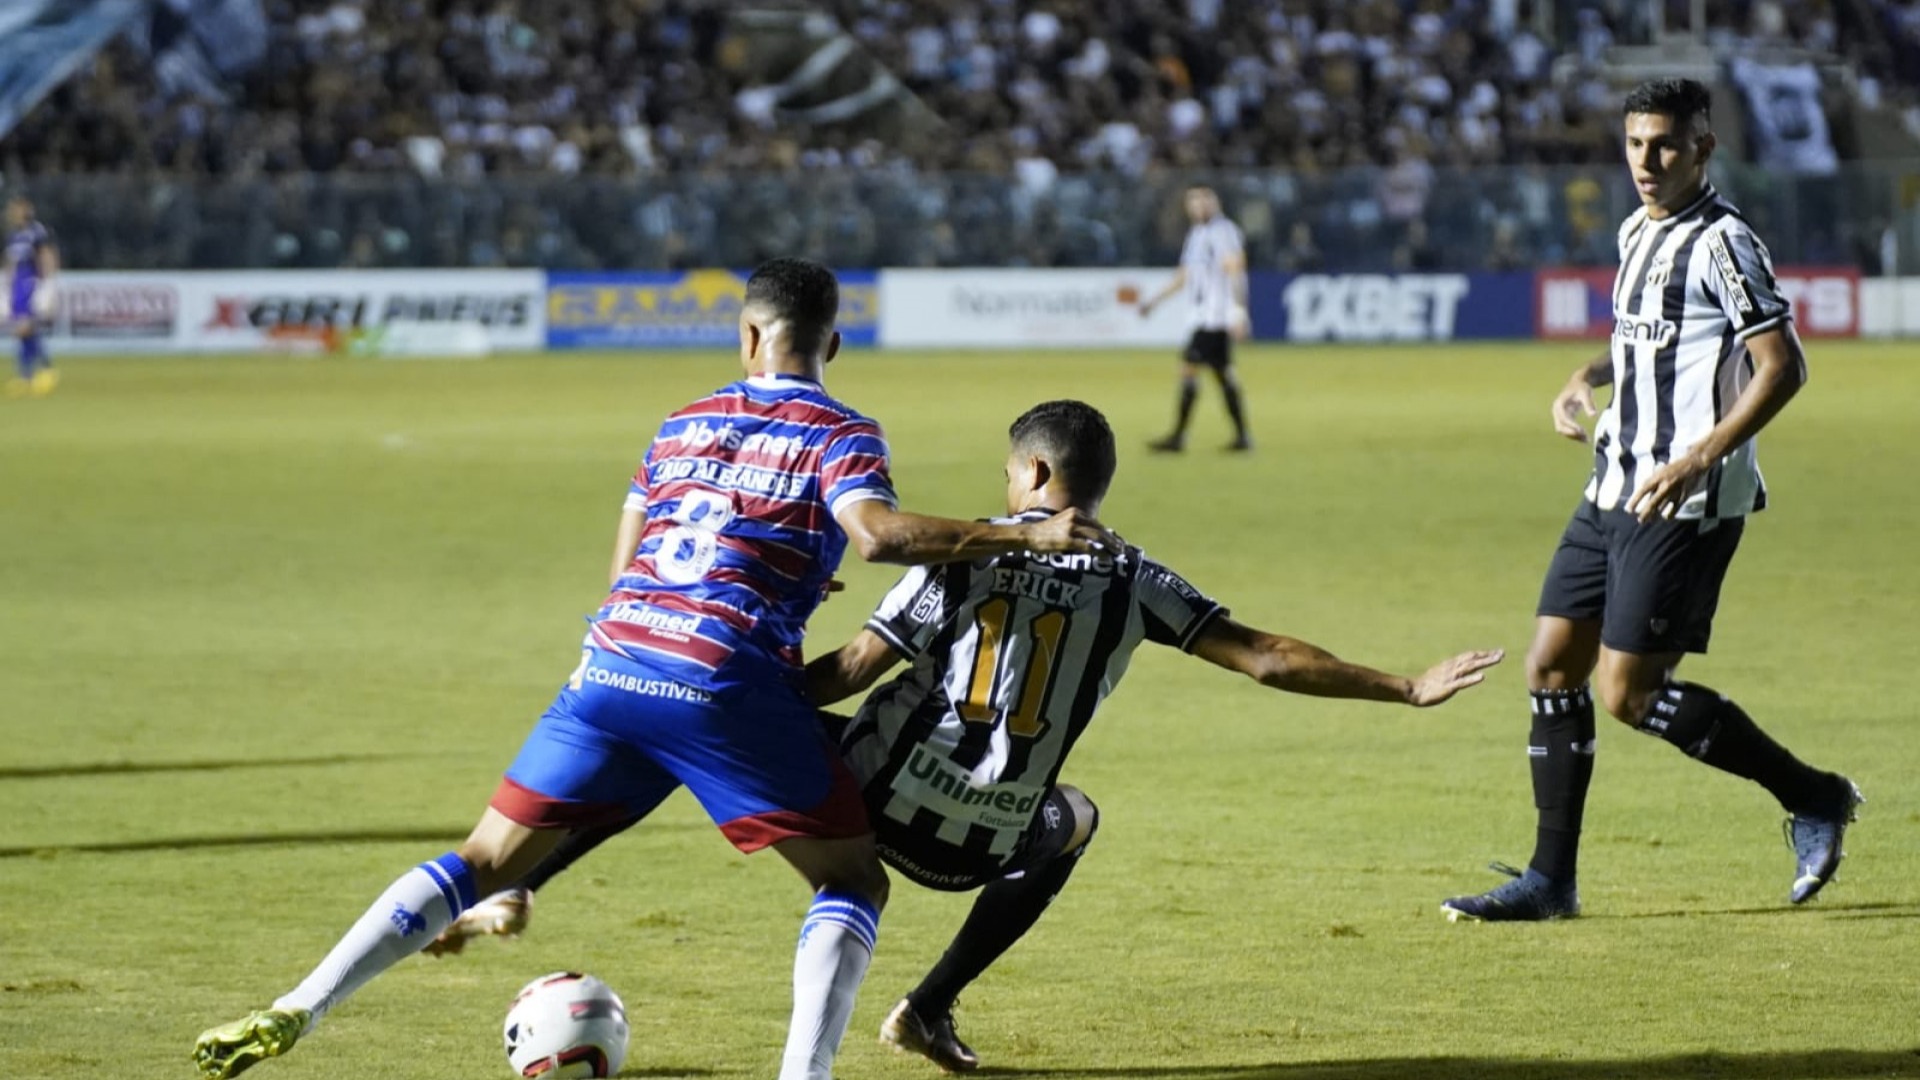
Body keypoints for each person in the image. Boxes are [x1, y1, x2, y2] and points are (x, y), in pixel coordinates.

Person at [190, 259, 1117, 1080]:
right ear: (834, 340)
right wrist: (1019, 529)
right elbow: (876, 538)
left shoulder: (678, 423)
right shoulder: (842, 429)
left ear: (747, 333)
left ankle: (299, 1005)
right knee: (854, 882)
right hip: (722, 678)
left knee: (477, 860)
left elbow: (629, 566)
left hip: (614, 661)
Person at [430, 400, 1504, 1072]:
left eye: (1009, 475)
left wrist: (724, 682)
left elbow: (850, 672)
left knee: (701, 734)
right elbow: (1269, 655)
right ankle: (930, 1009)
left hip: (864, 802)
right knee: (1074, 819)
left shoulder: (970, 558)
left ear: (1035, 480)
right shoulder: (1134, 577)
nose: (1003, 491)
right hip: (980, 844)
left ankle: (521, 879)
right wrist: (1404, 686)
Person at [1440, 79, 1860, 923]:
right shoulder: (1639, 230)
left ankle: (1814, 796)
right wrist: (1583, 376)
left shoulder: (1725, 243)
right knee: (1552, 666)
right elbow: (1644, 334)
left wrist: (1702, 454)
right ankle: (1550, 882)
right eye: (1635, 143)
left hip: (1685, 499)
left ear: (1703, 147)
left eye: (1666, 143)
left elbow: (1784, 367)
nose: (1647, 160)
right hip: (1613, 481)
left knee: (1627, 694)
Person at [1138, 186, 1252, 452]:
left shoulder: (1224, 232)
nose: (1198, 206)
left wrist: (1238, 311)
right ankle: (1242, 436)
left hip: (1215, 318)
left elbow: (1235, 269)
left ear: (1215, 203)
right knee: (1223, 374)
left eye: (1204, 200)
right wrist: (1154, 302)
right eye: (1193, 201)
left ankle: (1178, 437)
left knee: (1189, 368)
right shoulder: (1197, 234)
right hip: (1202, 317)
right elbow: (1184, 276)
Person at [3, 195, 59, 398]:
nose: (13, 213)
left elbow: (47, 256)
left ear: (26, 209)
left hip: (31, 282)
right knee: (22, 331)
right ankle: (26, 377)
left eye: (16, 209)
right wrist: (6, 286)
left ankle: (46, 369)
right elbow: (10, 262)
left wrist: (48, 284)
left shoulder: (37, 232)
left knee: (26, 327)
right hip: (17, 284)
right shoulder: (13, 236)